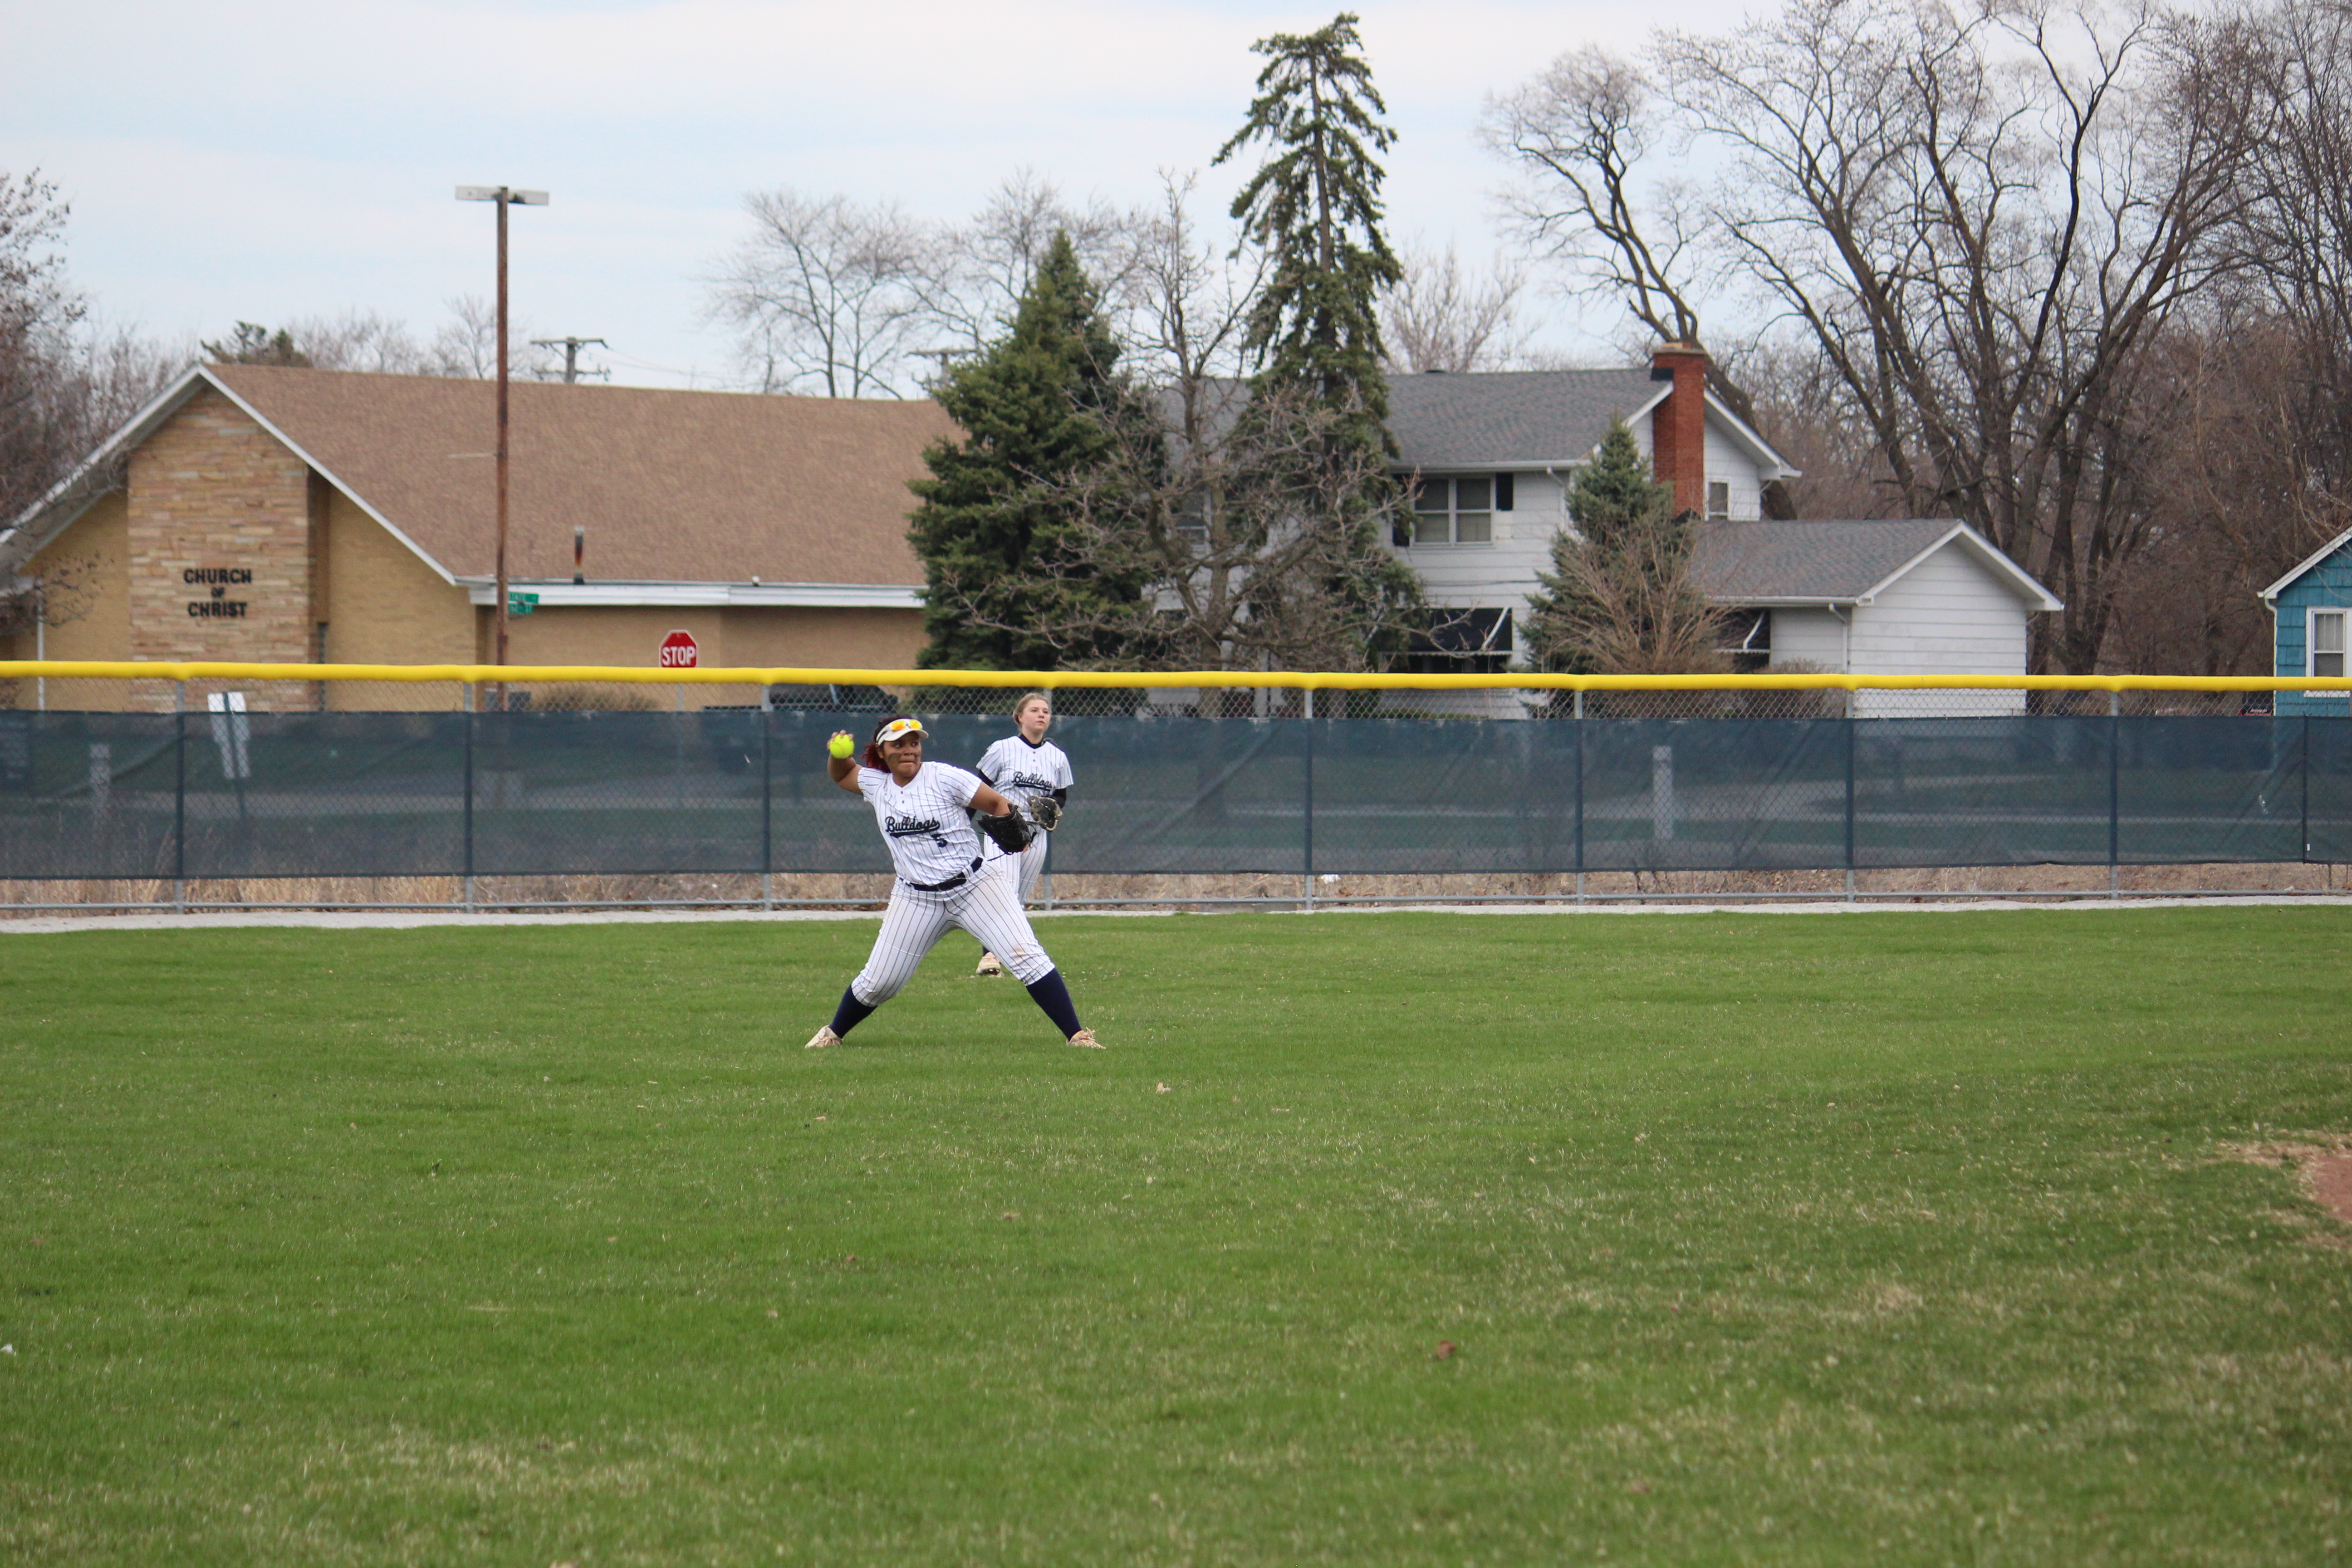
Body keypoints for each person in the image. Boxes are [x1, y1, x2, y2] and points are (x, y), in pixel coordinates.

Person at [805, 713, 1101, 1050]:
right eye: (899, 744)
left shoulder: (945, 777)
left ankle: (1077, 1036)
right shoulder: (878, 784)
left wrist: (1013, 824)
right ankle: (833, 1034)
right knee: (880, 982)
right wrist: (837, 754)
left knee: (1027, 957)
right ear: (882, 751)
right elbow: (842, 774)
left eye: (914, 743)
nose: (909, 751)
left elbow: (994, 802)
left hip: (975, 886)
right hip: (915, 898)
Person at [970, 690, 1073, 976]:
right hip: (1002, 830)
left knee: (1016, 900)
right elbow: (977, 789)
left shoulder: (1057, 757)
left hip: (1036, 836)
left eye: (1046, 711)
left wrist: (1052, 806)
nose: (1042, 714)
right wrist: (962, 825)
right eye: (1035, 710)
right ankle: (990, 957)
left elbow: (1061, 796)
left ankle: (1008, 956)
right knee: (1002, 893)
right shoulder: (1002, 749)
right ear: (1020, 717)